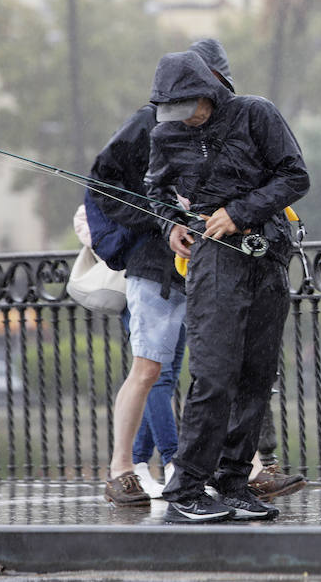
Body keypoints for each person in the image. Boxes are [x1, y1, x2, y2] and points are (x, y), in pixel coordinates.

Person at [146, 50, 310, 523]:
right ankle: (186, 488)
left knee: (257, 376)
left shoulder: (257, 113)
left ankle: (234, 482)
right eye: (174, 111)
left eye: (190, 107)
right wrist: (170, 224)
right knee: (214, 374)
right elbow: (156, 191)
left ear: (207, 92)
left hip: (267, 253)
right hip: (213, 260)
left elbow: (295, 176)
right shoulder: (165, 134)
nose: (185, 119)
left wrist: (241, 212)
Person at [93, 90, 186, 507]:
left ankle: (149, 462)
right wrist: (163, 219)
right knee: (151, 371)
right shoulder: (145, 124)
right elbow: (102, 186)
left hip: (194, 273)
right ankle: (139, 467)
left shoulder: (218, 124)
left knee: (183, 371)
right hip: (151, 271)